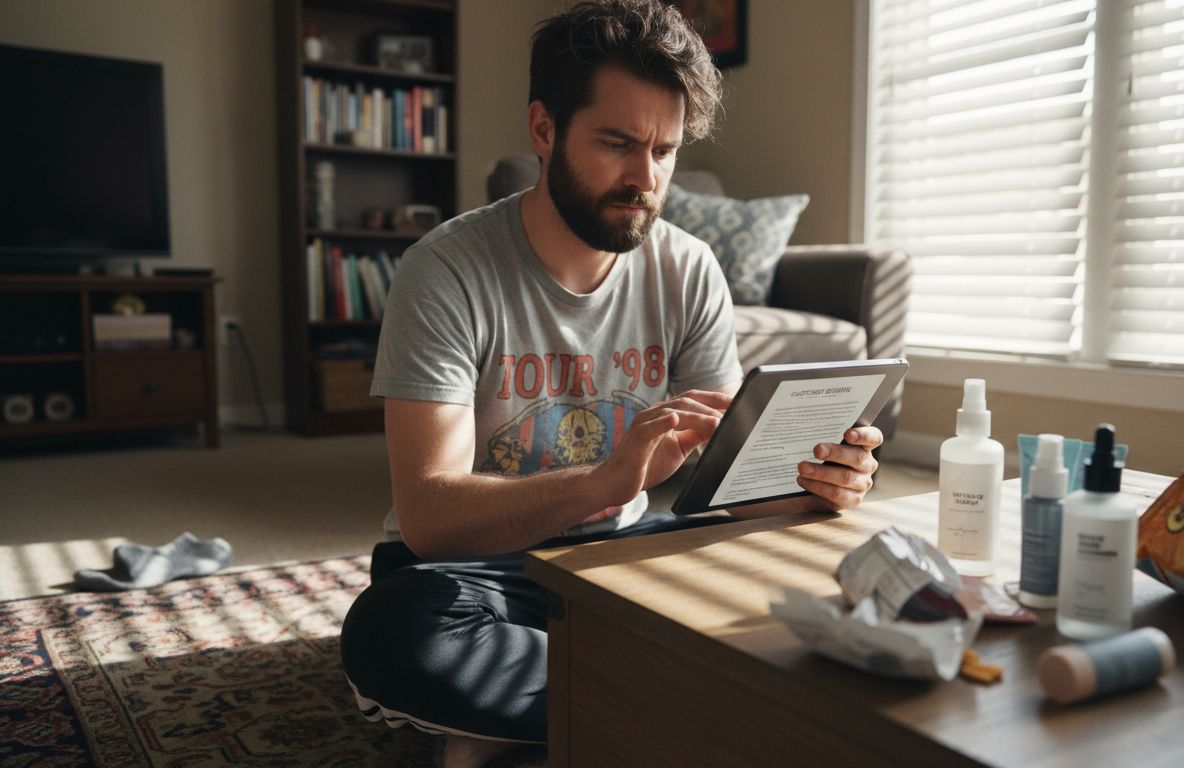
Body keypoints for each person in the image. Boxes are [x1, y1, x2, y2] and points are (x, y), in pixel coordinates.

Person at [339, 2, 883, 766]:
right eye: (618, 144)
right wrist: (603, 481)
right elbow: (430, 515)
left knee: (812, 561)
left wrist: (816, 480)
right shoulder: (446, 270)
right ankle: (688, 699)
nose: (646, 179)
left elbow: (732, 482)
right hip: (470, 570)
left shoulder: (688, 267)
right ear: (544, 129)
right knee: (394, 632)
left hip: (622, 554)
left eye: (665, 150)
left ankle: (556, 714)